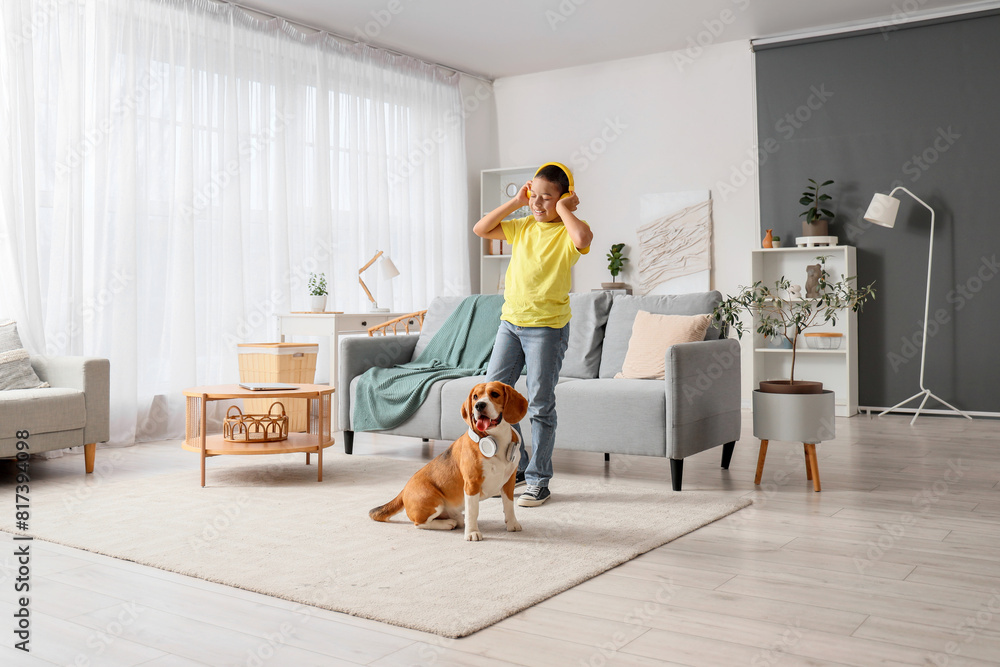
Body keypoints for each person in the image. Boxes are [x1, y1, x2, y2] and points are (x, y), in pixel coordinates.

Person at [472, 163, 593, 506]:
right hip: (510, 324)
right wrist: (517, 203)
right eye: (534, 196)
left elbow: (583, 240)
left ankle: (540, 479)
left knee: (540, 405)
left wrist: (564, 209)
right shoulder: (523, 224)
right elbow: (482, 229)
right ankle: (519, 468)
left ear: (565, 198)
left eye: (548, 198)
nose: (539, 204)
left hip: (547, 329)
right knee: (495, 398)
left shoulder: (569, 232)